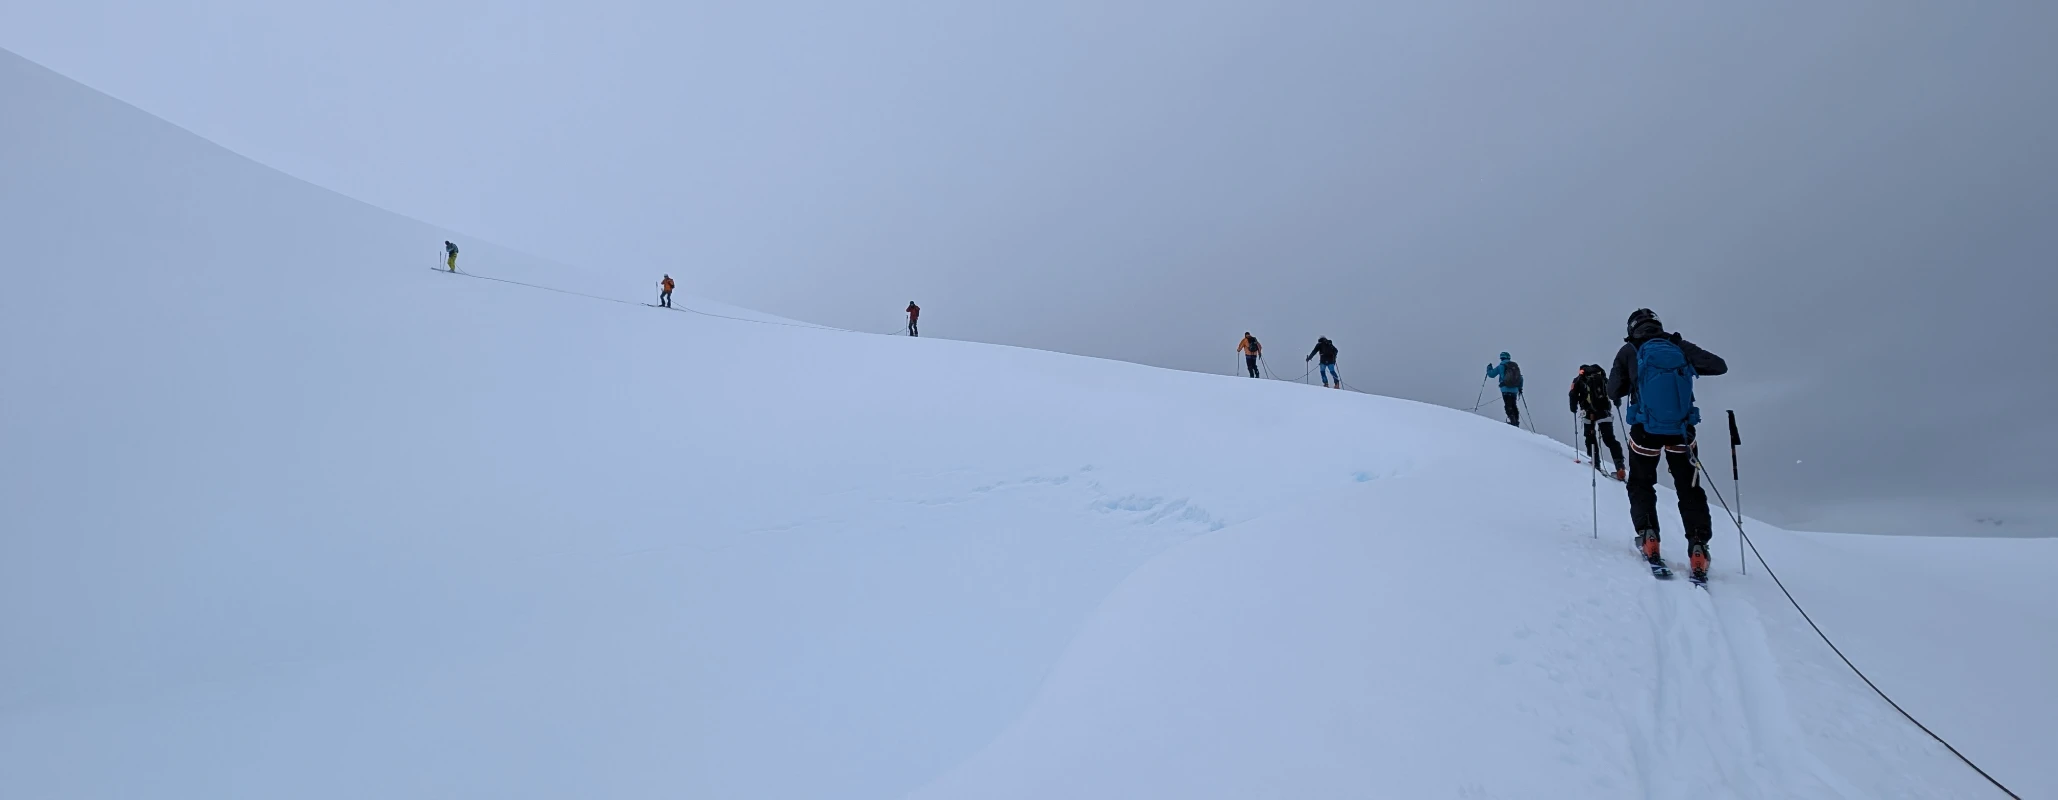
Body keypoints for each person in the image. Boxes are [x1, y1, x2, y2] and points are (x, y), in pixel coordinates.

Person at [1607, 308, 1728, 581]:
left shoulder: (1628, 351)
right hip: (1681, 432)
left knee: (1641, 483)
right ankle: (1698, 545)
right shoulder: (1677, 345)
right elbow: (1719, 366)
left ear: (1631, 329)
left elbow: (1613, 390)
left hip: (1645, 431)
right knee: (1689, 489)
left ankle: (1648, 535)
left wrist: (1634, 379)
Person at [1569, 364, 1625, 480]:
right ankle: (1620, 466)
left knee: (1590, 437)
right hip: (1604, 412)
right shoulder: (1602, 378)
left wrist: (1573, 408)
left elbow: (1572, 394)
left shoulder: (1579, 379)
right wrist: (1617, 403)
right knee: (1609, 439)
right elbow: (1613, 391)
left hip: (1588, 413)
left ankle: (1596, 463)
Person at [1485, 352, 1523, 426]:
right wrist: (1520, 388)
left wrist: (1489, 368)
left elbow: (1491, 374)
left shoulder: (1501, 366)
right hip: (1515, 389)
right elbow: (1521, 378)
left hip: (1505, 388)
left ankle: (1513, 421)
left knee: (1508, 405)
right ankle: (1516, 421)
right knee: (1513, 405)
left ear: (1501, 358)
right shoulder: (1515, 366)